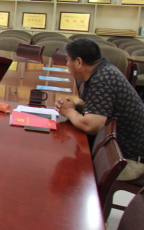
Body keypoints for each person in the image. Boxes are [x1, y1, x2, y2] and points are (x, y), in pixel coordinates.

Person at [54, 38, 144, 180]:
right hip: (113, 153)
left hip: (125, 161)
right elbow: (86, 103)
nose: (66, 64)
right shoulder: (101, 71)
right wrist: (71, 105)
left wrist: (69, 111)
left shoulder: (103, 79)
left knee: (71, 172)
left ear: (78, 62)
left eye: (68, 60)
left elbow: (91, 126)